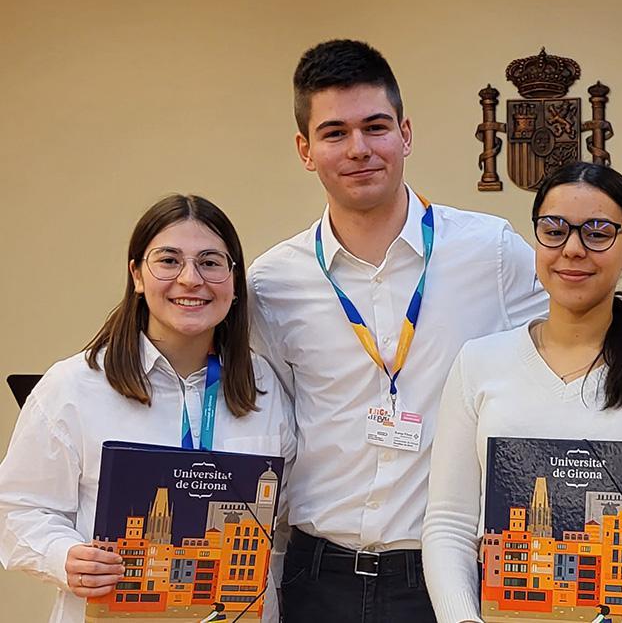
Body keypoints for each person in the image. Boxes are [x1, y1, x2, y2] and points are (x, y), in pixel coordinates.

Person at [247, 39, 544, 622]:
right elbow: (262, 418)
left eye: (375, 127)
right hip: (316, 575)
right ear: (306, 150)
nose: (359, 149)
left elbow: (573, 346)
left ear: (405, 134)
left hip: (446, 578)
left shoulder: (492, 253)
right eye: (334, 133)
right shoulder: (272, 282)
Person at [421, 162, 622, 623]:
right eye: (554, 229)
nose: (572, 249)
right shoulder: (479, 363)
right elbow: (449, 522)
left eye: (598, 232)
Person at [0, 195, 295, 623]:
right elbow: (17, 507)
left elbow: (287, 518)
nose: (191, 279)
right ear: (137, 274)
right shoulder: (74, 387)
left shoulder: (265, 386)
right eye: (169, 260)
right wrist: (64, 556)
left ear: (233, 282)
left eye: (211, 262)